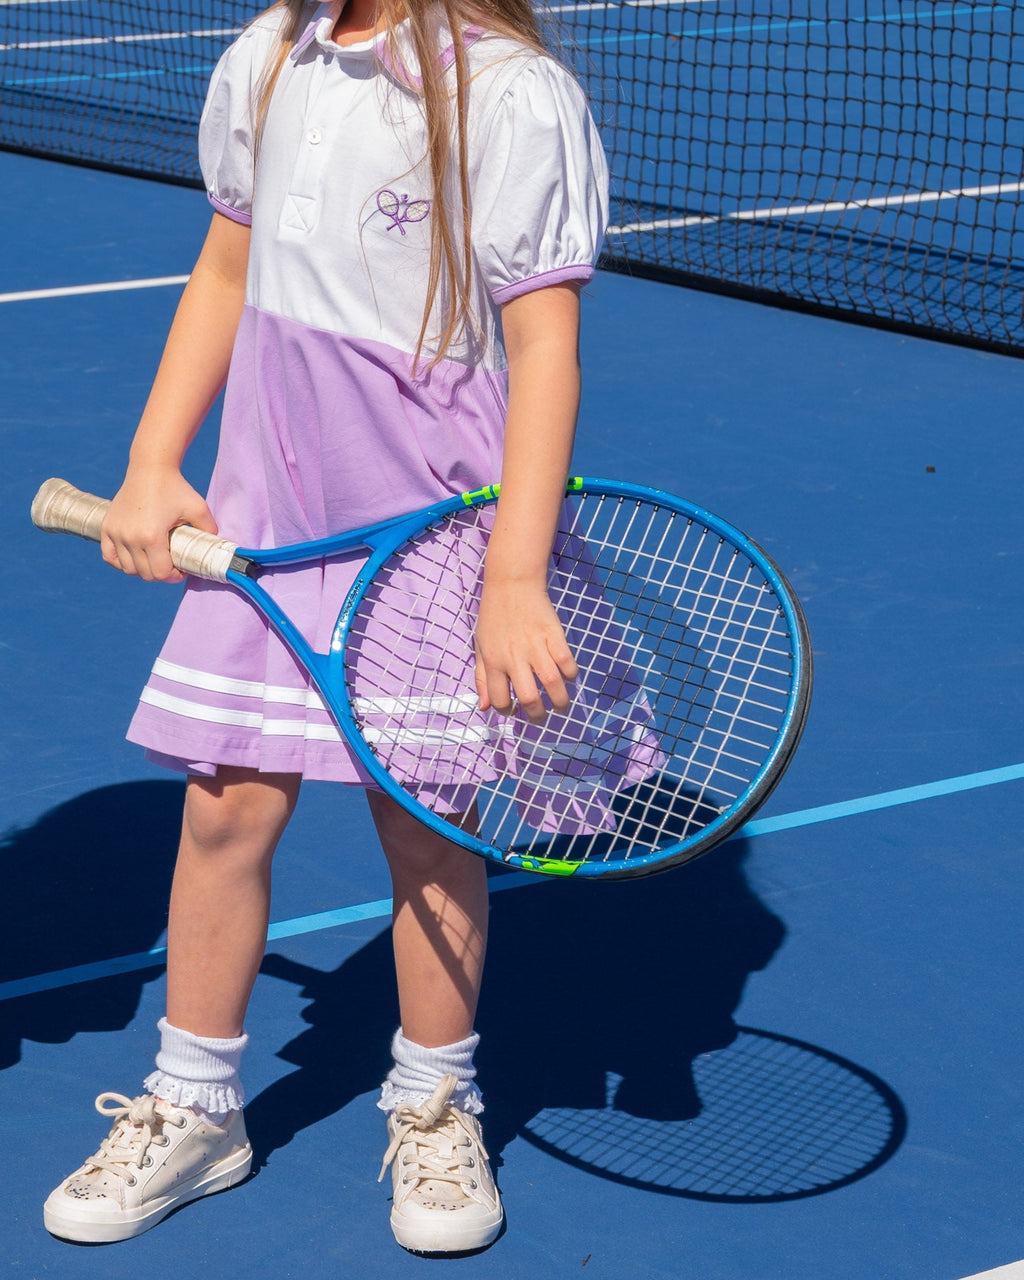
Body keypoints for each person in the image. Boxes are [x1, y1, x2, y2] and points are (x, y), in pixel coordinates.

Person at [42, 0, 608, 1255]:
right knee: (224, 806)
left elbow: (545, 351)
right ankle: (193, 1104)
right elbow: (226, 269)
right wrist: (151, 459)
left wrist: (513, 576)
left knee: (428, 830)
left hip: (430, 546)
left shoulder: (509, 92)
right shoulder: (268, 55)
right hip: (266, 523)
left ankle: (436, 1099)